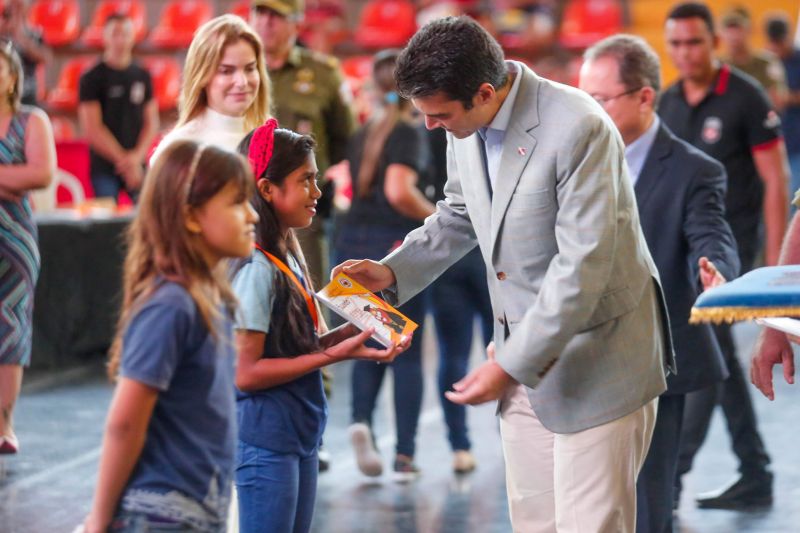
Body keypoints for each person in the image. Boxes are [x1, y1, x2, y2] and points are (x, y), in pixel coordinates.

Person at [334, 16, 672, 532]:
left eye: (439, 114)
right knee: (535, 523)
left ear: (486, 92)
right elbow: (458, 212)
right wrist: (390, 272)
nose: (430, 126)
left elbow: (584, 264)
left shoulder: (579, 125)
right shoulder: (461, 122)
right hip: (520, 363)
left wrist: (511, 364)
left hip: (599, 361)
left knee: (590, 525)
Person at [579, 34, 740, 532]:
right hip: (579, 357)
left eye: (601, 99)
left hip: (652, 359)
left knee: (650, 505)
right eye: (584, 99)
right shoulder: (574, 157)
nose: (590, 111)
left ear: (644, 97)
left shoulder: (695, 169)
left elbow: (710, 233)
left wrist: (716, 269)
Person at [231, 120, 404, 533]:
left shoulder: (286, 252)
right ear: (268, 189)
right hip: (265, 442)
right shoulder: (255, 269)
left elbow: (295, 349)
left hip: (297, 434)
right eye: (306, 180)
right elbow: (246, 373)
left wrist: (356, 330)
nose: (318, 192)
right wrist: (332, 354)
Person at [82, 141, 259, 532]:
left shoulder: (211, 298)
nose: (251, 215)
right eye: (236, 203)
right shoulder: (171, 306)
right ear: (192, 217)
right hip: (158, 517)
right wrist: (98, 521)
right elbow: (124, 424)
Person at [660, 2, 790, 510]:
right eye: (675, 44)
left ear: (713, 41)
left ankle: (672, 475)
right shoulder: (668, 102)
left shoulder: (744, 97)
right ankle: (754, 470)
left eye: (694, 42)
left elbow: (776, 181)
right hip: (680, 258)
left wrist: (780, 268)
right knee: (722, 365)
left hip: (729, 258)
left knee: (704, 362)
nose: (685, 53)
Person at [334, 50, 437, 481]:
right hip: (391, 251)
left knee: (369, 342)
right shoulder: (409, 132)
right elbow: (399, 191)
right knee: (406, 353)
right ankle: (405, 456)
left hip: (350, 246)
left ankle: (360, 422)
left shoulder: (364, 131)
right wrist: (439, 219)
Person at [250, 0, 355, 290]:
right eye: (260, 13)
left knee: (306, 291)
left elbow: (346, 140)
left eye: (277, 15)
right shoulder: (238, 74)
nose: (266, 22)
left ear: (296, 24)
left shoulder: (323, 74)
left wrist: (324, 184)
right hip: (246, 205)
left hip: (301, 210)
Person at [424, 125, 493, 474]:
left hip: (449, 250)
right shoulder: (489, 130)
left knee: (453, 354)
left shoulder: (429, 132)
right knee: (506, 347)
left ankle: (460, 446)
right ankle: (512, 435)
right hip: (487, 251)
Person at [0, 42, 55, 455]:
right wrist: (9, 176)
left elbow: (41, 173)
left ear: (13, 76)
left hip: (15, 239)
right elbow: (23, 174)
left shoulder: (31, 120)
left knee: (11, 327)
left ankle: (4, 423)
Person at [150, 14, 270, 163]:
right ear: (202, 77)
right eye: (226, 71)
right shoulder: (176, 149)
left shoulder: (275, 140)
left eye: (250, 68)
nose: (242, 82)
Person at [78, 13, 159, 202]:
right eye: (115, 33)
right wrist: (125, 162)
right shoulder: (91, 78)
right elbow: (92, 129)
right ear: (105, 37)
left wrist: (136, 159)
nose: (120, 39)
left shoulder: (142, 75)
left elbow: (151, 123)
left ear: (133, 37)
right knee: (106, 224)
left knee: (149, 217)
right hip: (105, 165)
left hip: (138, 163)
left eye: (125, 33)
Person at [719, 6, 788, 110]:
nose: (733, 35)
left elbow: (778, 101)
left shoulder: (766, 62)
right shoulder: (718, 65)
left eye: (738, 29)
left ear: (749, 30)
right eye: (729, 29)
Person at [765, 14, 800, 207]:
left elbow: (784, 97)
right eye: (773, 44)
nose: (777, 49)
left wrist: (789, 98)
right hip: (772, 142)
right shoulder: (764, 62)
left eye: (781, 43)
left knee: (794, 201)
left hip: (797, 144)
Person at [0, 0, 47, 106]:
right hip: (3, 96)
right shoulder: (2, 32)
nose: (15, 10)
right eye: (12, 5)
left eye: (19, 6)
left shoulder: (34, 34)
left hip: (27, 95)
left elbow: (45, 57)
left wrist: (20, 37)